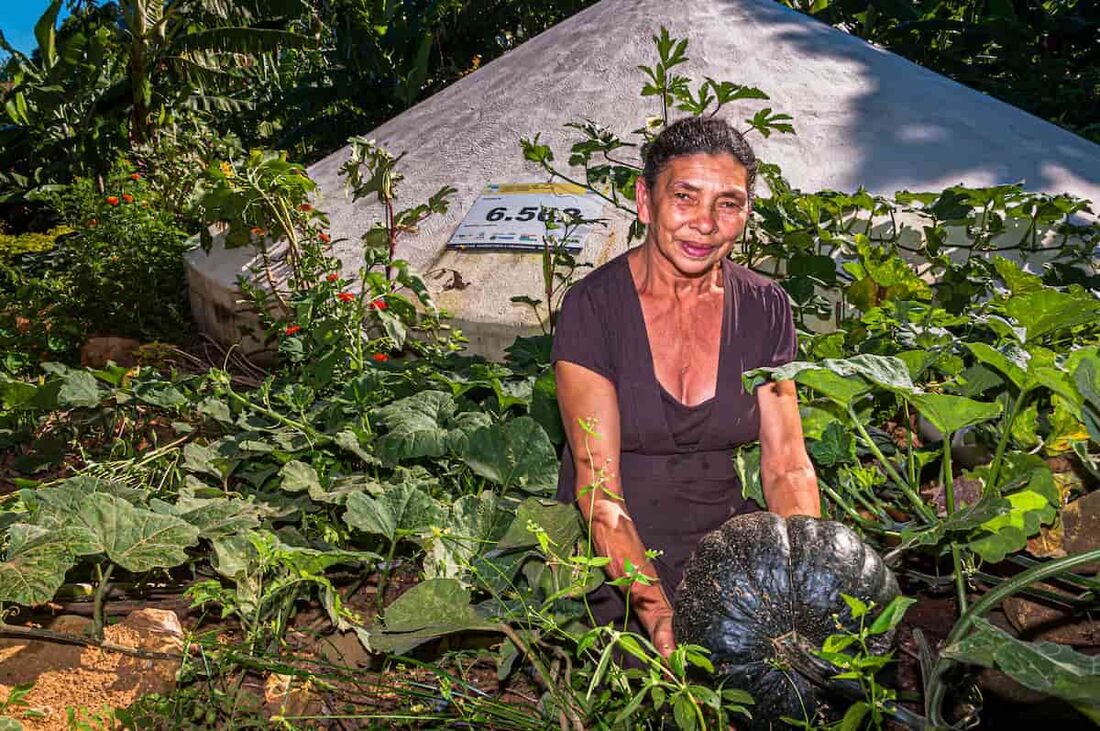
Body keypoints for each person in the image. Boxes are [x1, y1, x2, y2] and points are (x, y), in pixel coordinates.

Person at [551, 116, 821, 659]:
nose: (705, 224)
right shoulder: (593, 308)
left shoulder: (766, 307)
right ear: (645, 202)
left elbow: (787, 463)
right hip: (617, 554)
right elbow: (598, 491)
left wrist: (805, 576)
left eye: (729, 203)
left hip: (727, 546)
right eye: (685, 197)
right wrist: (656, 609)